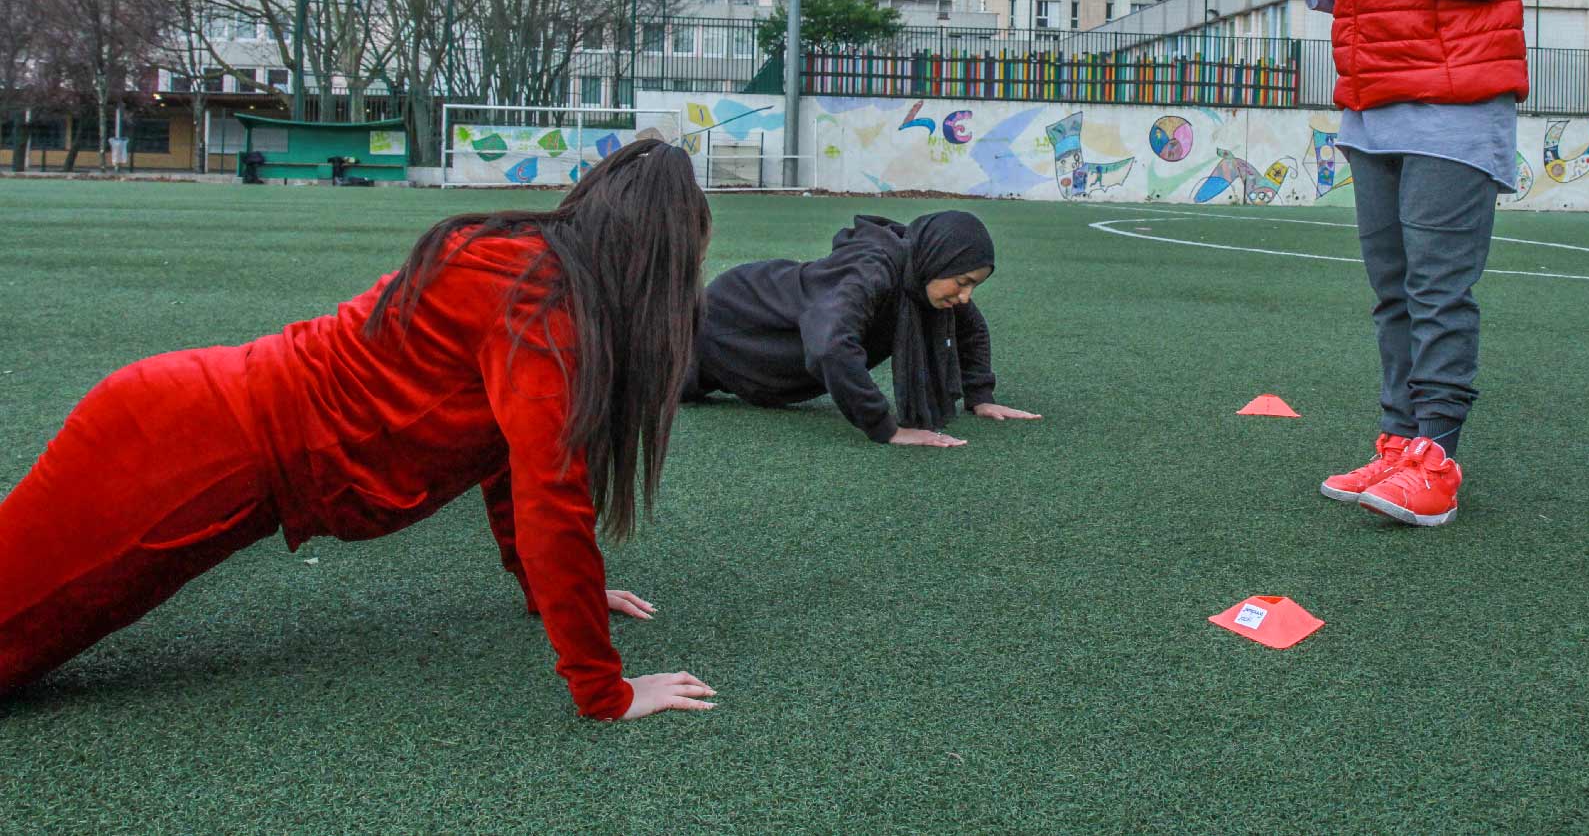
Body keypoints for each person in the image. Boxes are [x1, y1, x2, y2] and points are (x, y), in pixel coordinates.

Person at [0, 138, 716, 719]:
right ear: (654, 259)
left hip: (214, 448)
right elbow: (549, 495)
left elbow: (502, 456)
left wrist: (547, 589)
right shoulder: (537, 298)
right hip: (185, 441)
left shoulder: (533, 273)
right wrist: (605, 690)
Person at [1250, 0, 1528, 528]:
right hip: (1373, 110)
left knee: (1440, 293)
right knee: (1394, 292)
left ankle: (1436, 459)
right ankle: (1397, 446)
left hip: (1452, 111)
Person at [689, 211, 1036, 446]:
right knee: (657, 384)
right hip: (732, 320)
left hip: (762, 343)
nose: (965, 296)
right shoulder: (872, 270)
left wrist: (981, 397)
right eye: (962, 282)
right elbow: (830, 344)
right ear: (939, 260)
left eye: (974, 286)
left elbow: (970, 329)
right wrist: (886, 428)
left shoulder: (920, 273)